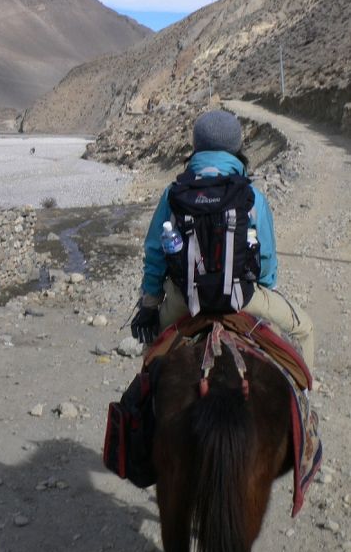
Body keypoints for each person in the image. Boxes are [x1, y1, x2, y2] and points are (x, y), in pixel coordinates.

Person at [131, 108, 315, 370]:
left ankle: (143, 404)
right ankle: (304, 406)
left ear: (196, 146)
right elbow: (265, 258)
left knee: (153, 356)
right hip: (243, 297)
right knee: (304, 329)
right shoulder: (252, 197)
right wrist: (265, 287)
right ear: (237, 147)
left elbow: (155, 252)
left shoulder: (173, 194)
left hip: (185, 300)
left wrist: (150, 304)